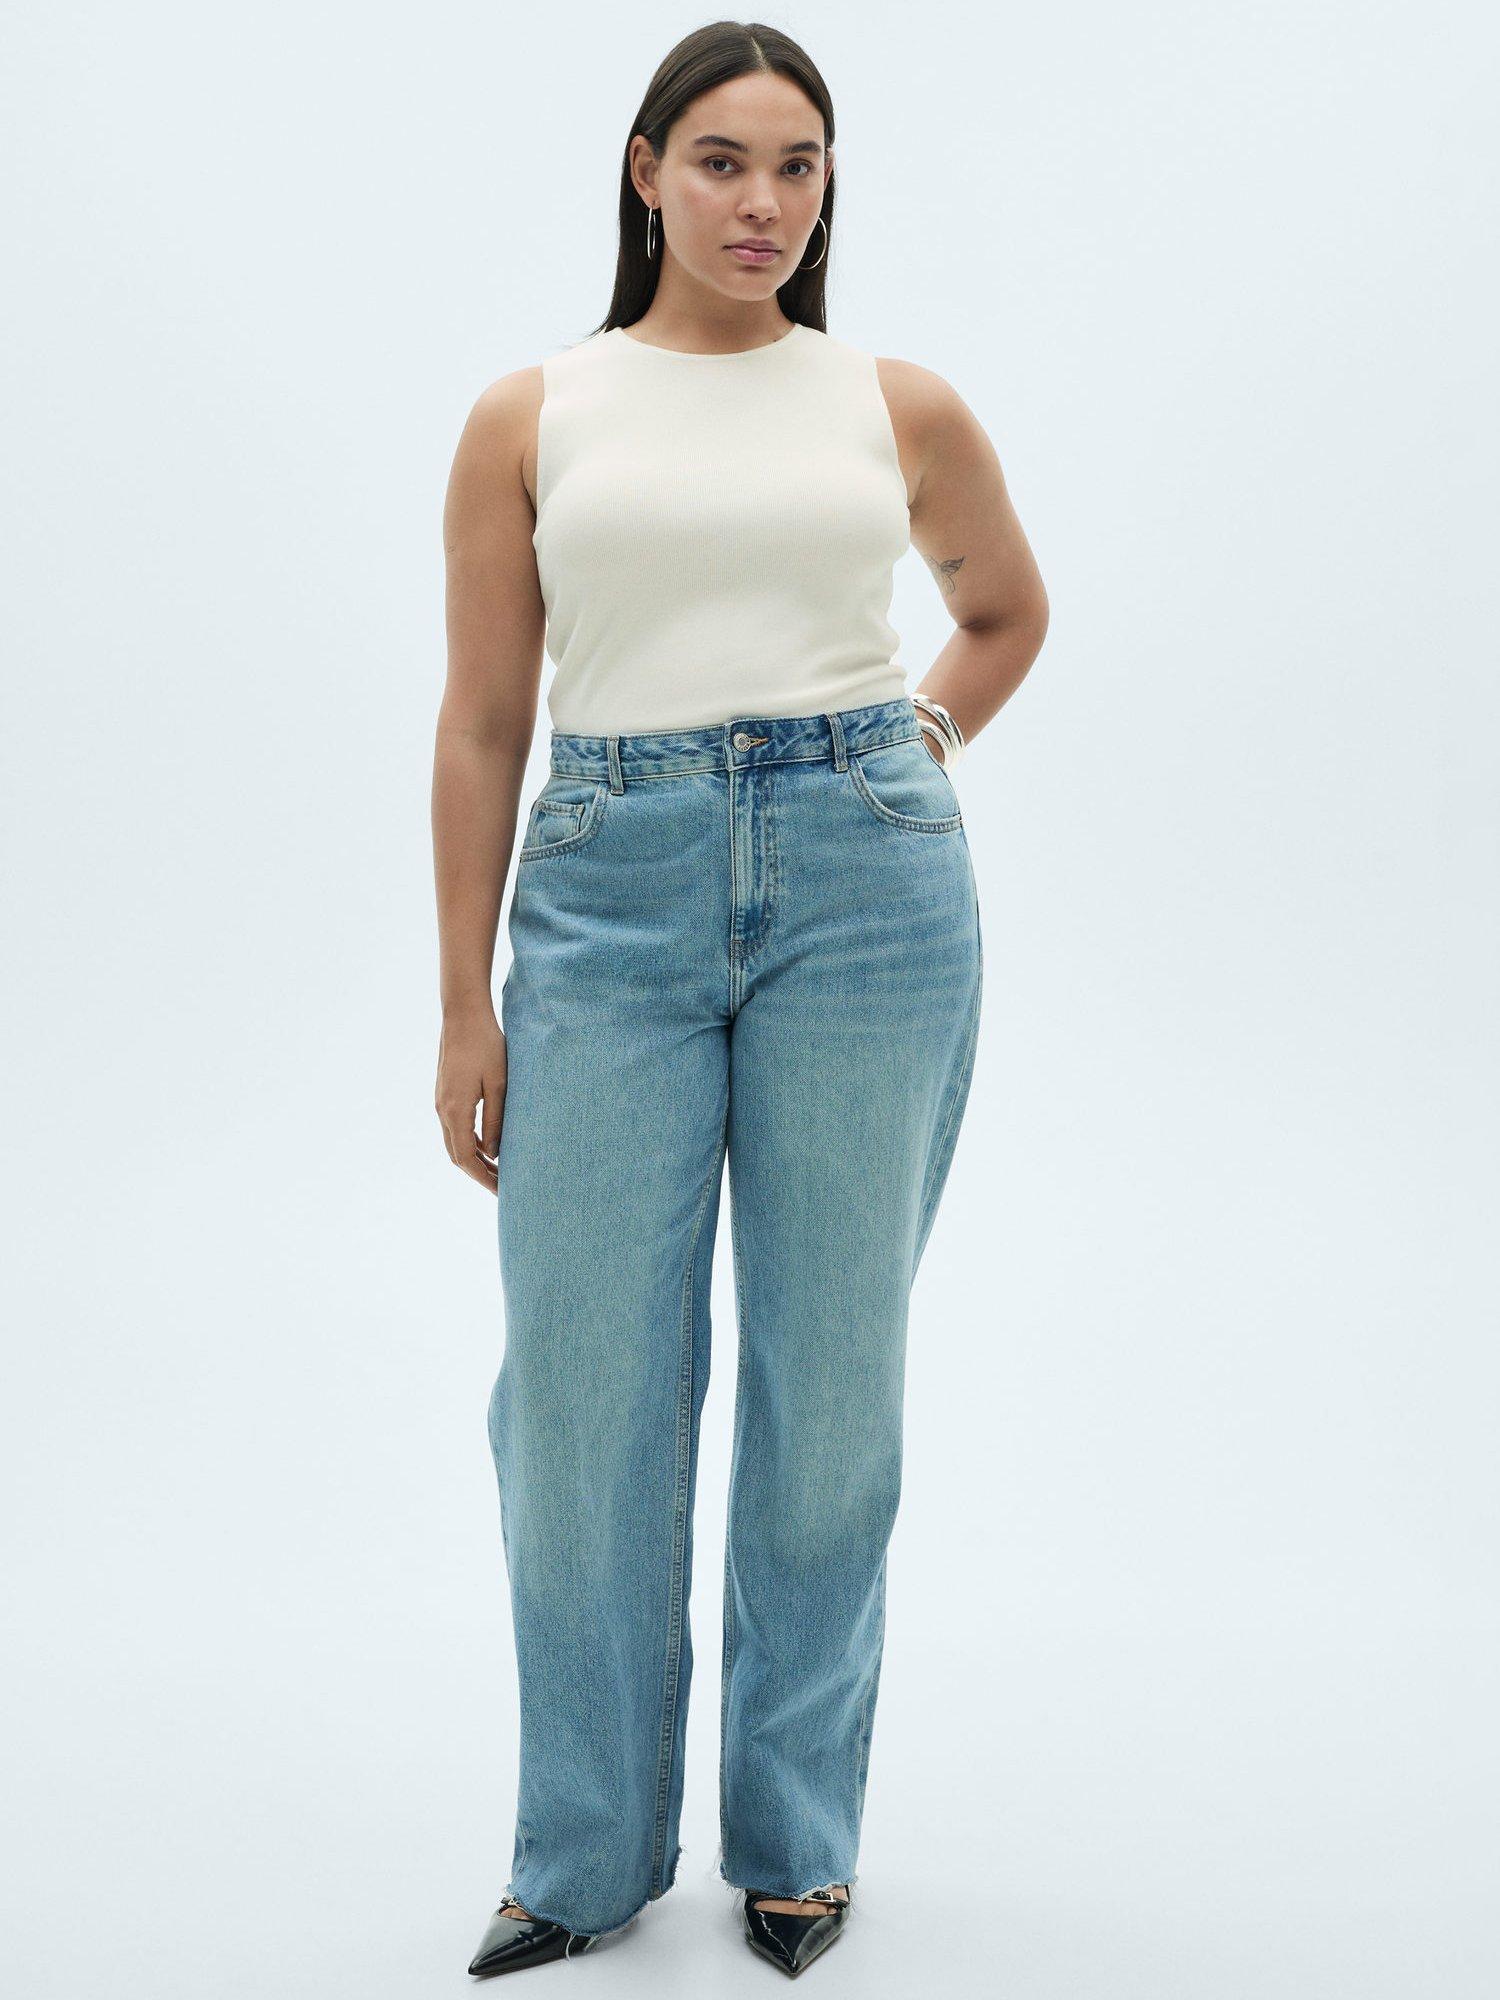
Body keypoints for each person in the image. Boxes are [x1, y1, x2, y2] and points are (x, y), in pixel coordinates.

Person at [432, 21, 1048, 1983]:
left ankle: (796, 1839)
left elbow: (1004, 611)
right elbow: (484, 724)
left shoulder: (894, 403)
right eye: (721, 161)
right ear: (645, 173)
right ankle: (585, 1850)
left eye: (798, 165)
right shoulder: (536, 413)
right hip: (606, 897)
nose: (763, 202)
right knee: (580, 1397)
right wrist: (463, 1005)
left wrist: (908, 747)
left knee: (828, 1388)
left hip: (869, 896)